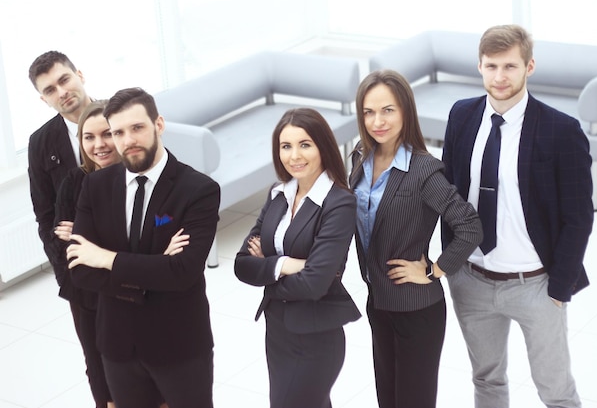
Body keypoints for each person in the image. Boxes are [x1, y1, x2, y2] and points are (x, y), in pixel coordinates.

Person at [441, 24, 594, 408]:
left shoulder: (562, 130)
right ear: (479, 66)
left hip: (536, 285)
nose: (500, 77)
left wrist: (559, 289)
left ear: (529, 66)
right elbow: (447, 194)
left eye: (510, 66)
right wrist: (450, 266)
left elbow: (579, 218)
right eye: (491, 66)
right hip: (472, 280)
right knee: (487, 380)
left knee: (556, 391)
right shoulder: (461, 116)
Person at [66, 87, 220, 408]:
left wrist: (107, 258)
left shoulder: (199, 190)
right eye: (118, 132)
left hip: (179, 344)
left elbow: (182, 272)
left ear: (158, 125)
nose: (127, 140)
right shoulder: (94, 186)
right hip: (118, 345)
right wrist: (154, 267)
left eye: (137, 128)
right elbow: (80, 270)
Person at [350, 69, 482, 408]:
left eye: (387, 110)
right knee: (388, 399)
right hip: (378, 301)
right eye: (368, 112)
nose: (377, 121)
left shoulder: (425, 170)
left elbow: (470, 226)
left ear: (406, 111)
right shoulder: (359, 159)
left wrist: (433, 270)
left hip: (416, 308)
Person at [234, 107, 361, 408]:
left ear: (323, 147)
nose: (294, 156)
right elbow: (241, 264)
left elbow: (315, 284)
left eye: (305, 144)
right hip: (277, 331)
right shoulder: (278, 194)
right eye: (286, 146)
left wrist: (267, 272)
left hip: (316, 337)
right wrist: (285, 265)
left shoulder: (339, 203)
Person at [27, 50, 103, 405]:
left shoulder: (122, 116)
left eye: (64, 80)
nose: (61, 92)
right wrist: (65, 275)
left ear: (80, 75)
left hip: (132, 258)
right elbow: (45, 217)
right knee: (97, 361)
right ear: (43, 99)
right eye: (50, 90)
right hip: (79, 273)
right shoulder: (41, 143)